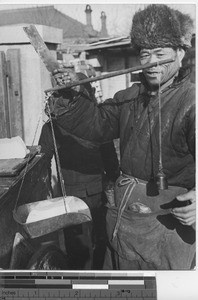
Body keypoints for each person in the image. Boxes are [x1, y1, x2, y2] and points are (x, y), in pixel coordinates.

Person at [44, 4, 195, 270]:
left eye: (160, 53)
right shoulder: (130, 97)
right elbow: (95, 125)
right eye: (145, 54)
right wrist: (68, 95)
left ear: (181, 53)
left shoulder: (191, 101)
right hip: (125, 219)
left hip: (167, 224)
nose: (151, 63)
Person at [39, 73, 120, 270]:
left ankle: (81, 282)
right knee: (101, 239)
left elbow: (43, 162)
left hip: (71, 197)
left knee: (78, 247)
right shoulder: (96, 125)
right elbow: (110, 159)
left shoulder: (51, 127)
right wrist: (113, 183)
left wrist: (47, 190)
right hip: (97, 193)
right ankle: (100, 276)